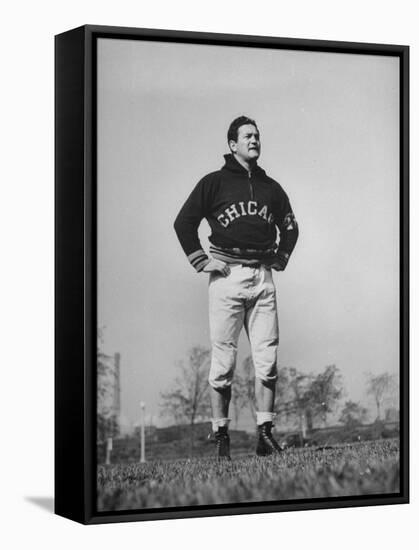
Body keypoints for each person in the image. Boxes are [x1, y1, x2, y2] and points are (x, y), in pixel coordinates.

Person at [174, 116, 299, 459]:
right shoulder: (213, 183)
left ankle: (265, 434)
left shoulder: (271, 187)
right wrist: (201, 260)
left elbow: (291, 227)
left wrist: (281, 257)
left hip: (261, 276)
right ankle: (221, 435)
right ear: (232, 145)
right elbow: (183, 222)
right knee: (223, 362)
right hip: (226, 276)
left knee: (267, 359)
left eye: (257, 135)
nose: (254, 140)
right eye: (247, 136)